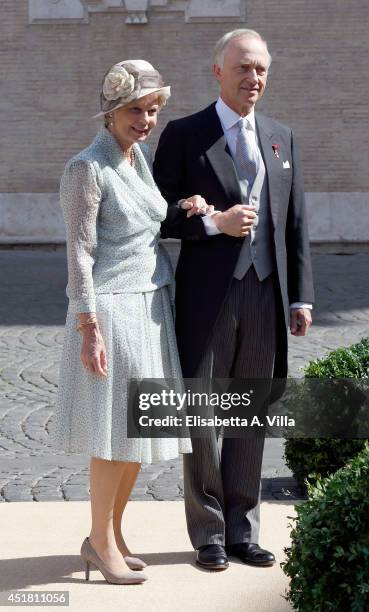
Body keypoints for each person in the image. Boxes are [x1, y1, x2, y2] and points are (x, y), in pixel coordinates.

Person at [153, 29, 315, 570]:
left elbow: (296, 225)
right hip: (208, 298)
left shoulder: (281, 137)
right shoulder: (184, 134)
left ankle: (244, 528)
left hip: (266, 296)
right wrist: (212, 224)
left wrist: (302, 297)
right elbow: (158, 216)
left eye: (262, 70)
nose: (254, 79)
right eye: (243, 68)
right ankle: (209, 533)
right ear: (218, 71)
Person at [51, 59, 209, 585]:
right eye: (136, 111)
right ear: (112, 112)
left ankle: (112, 533)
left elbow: (150, 215)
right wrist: (88, 327)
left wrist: (182, 205)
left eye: (153, 110)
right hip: (112, 310)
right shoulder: (86, 168)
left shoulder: (134, 157)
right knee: (115, 433)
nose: (147, 120)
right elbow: (80, 252)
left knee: (139, 431)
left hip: (150, 304)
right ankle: (97, 543)